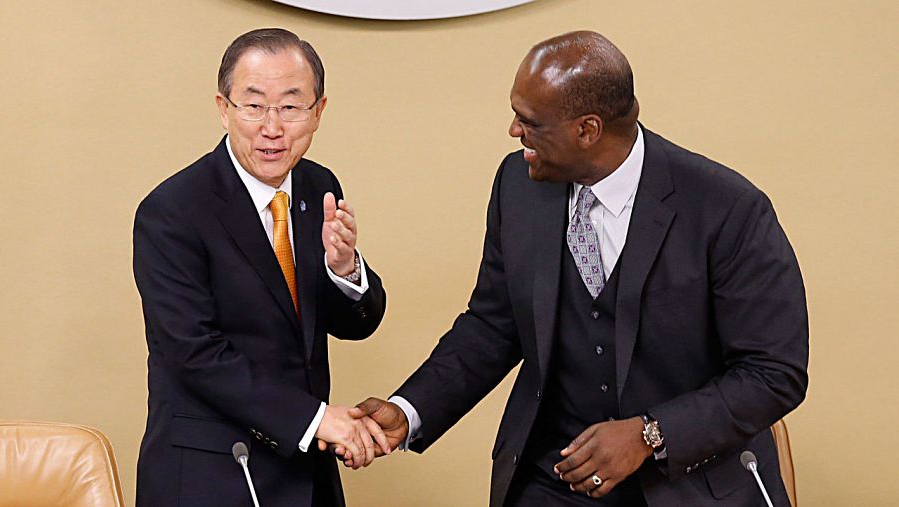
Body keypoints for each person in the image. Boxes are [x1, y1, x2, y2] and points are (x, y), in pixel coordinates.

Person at [347, 31, 808, 506]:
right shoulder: (517, 186)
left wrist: (649, 435)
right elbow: (492, 326)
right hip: (555, 480)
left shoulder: (727, 209)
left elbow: (774, 372)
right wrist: (410, 411)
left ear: (587, 130)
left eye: (529, 121)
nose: (513, 131)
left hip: (688, 486)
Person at [132, 28, 388, 507]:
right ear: (223, 107)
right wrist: (317, 421)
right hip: (211, 476)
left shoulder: (318, 185)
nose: (272, 127)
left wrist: (345, 268)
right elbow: (194, 353)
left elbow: (357, 324)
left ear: (319, 111)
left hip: (306, 476)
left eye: (291, 107)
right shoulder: (171, 211)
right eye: (254, 105)